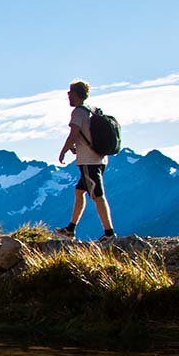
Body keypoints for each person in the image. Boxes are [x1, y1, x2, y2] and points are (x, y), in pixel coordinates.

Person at [55, 80, 115, 241]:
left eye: (70, 92)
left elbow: (73, 134)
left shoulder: (78, 113)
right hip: (99, 158)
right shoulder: (92, 110)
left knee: (97, 195)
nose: (68, 95)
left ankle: (109, 233)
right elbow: (86, 135)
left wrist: (64, 150)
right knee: (79, 191)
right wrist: (77, 148)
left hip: (89, 162)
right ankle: (70, 228)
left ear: (75, 94)